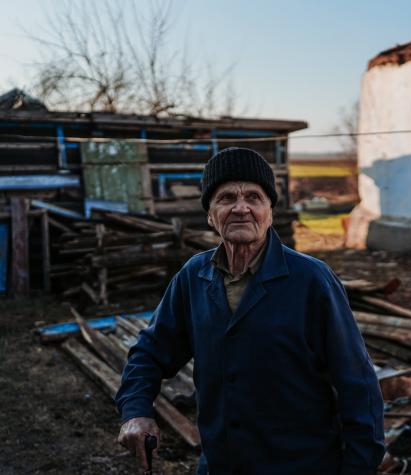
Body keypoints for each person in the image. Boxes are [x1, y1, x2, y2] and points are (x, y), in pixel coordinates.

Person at [115, 148, 385, 474]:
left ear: (270, 211)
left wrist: (358, 467)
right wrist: (136, 410)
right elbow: (150, 352)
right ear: (210, 214)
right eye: (226, 197)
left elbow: (359, 385)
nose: (241, 208)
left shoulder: (311, 280)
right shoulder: (194, 277)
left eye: (254, 197)